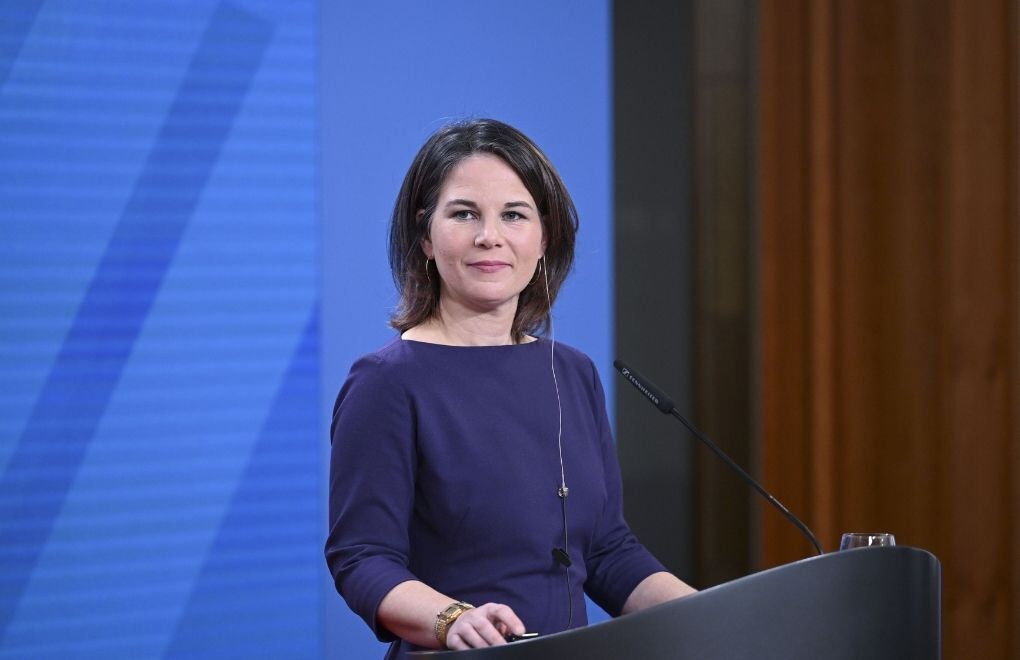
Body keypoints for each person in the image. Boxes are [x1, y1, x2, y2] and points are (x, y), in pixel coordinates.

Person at [325, 118, 695, 658]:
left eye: (514, 215)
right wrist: (451, 619)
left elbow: (607, 552)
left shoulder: (572, 372)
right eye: (464, 214)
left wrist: (712, 616)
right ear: (425, 235)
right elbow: (362, 558)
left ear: (544, 238)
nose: (489, 236)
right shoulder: (387, 382)